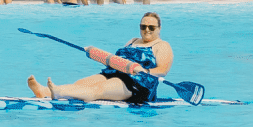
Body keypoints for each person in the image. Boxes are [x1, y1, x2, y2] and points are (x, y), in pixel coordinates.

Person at [26, 12, 173, 103]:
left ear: (159, 29)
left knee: (98, 89)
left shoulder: (162, 45)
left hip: (137, 84)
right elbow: (117, 60)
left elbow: (162, 71)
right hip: (113, 72)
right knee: (82, 82)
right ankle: (44, 92)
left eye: (151, 27)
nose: (146, 30)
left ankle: (59, 92)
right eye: (143, 26)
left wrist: (142, 71)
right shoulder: (133, 41)